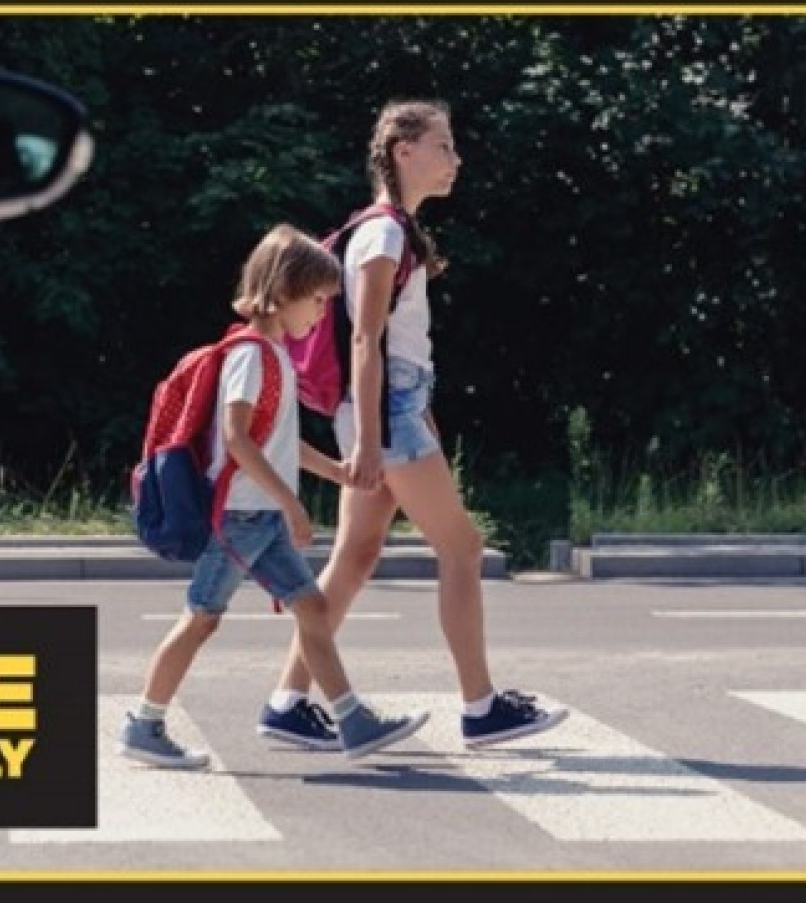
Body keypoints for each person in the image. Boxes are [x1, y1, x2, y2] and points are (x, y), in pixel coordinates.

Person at [258, 100, 569, 751]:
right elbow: (366, 341)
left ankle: (287, 702)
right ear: (404, 151)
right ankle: (481, 706)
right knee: (462, 549)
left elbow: (390, 347)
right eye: (444, 146)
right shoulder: (384, 235)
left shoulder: (390, 232)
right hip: (383, 412)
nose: (455, 160)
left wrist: (404, 417)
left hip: (391, 408)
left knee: (356, 555)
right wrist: (374, 440)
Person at [120, 225, 429, 770]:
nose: (320, 314)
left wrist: (335, 471)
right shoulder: (252, 355)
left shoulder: (274, 356)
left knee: (311, 607)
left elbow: (278, 441)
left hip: (257, 515)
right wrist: (290, 503)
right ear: (283, 292)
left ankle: (352, 720)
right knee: (201, 618)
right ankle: (144, 723)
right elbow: (238, 438)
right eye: (317, 300)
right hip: (240, 515)